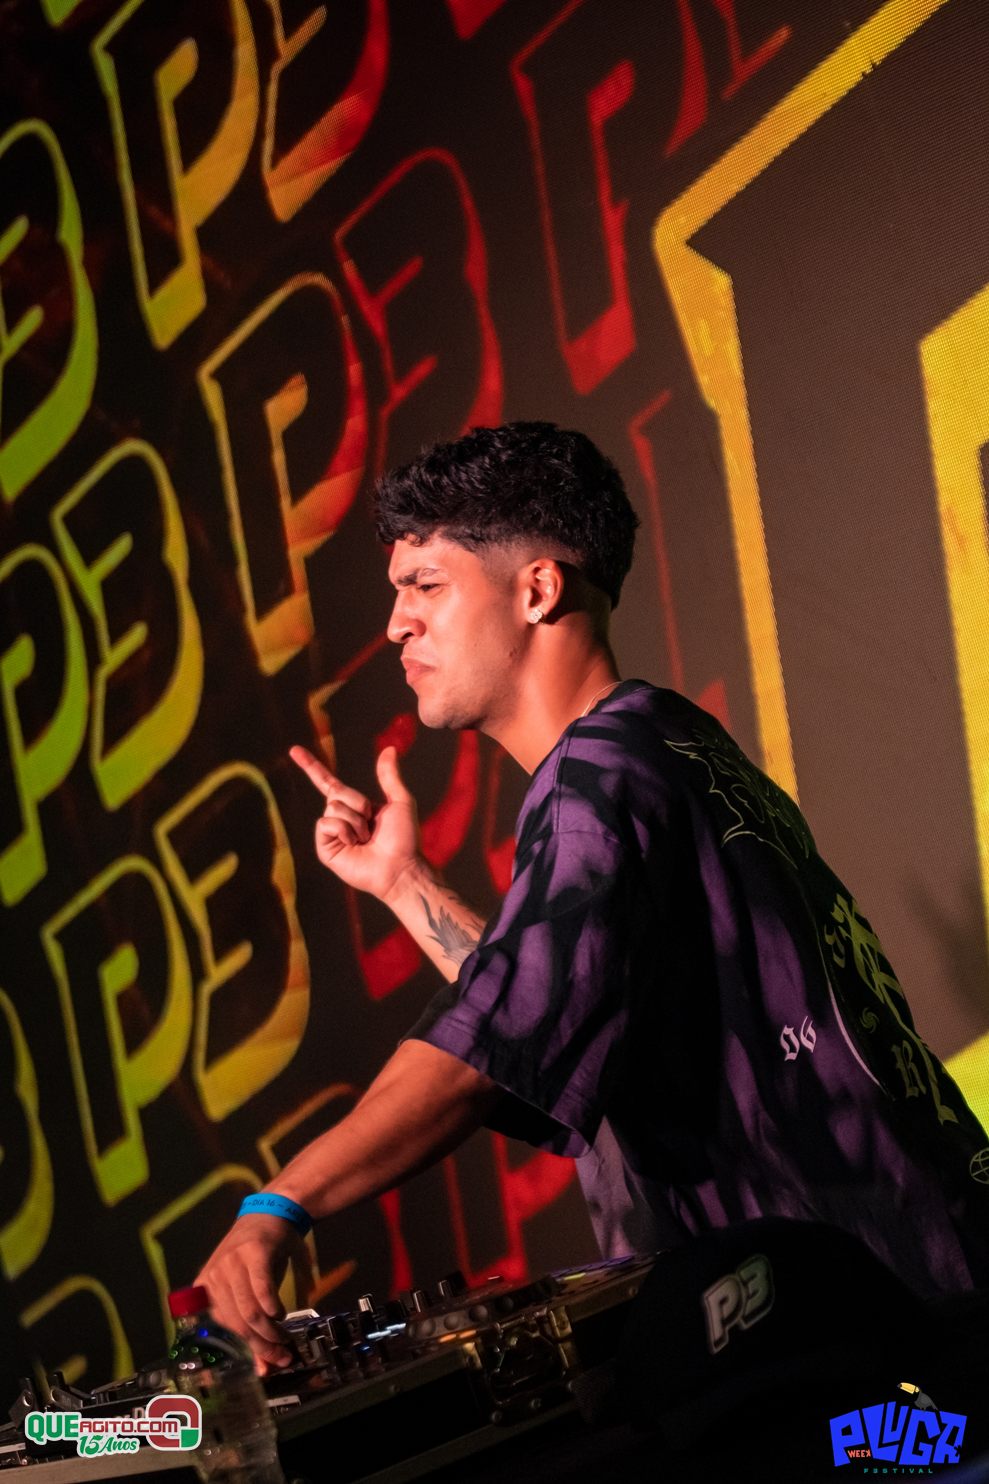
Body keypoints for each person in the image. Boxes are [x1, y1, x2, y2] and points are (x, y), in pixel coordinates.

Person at [197, 421, 989, 1370]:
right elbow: (557, 1010)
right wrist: (405, 884)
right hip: (903, 1317)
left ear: (537, 589)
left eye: (426, 586)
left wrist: (276, 1205)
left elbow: (489, 1046)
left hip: (875, 1352)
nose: (396, 624)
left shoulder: (600, 776)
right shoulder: (659, 742)